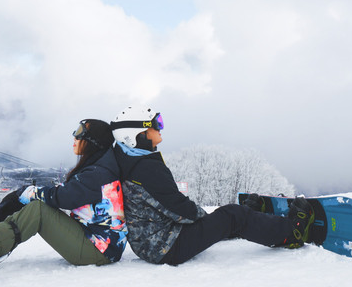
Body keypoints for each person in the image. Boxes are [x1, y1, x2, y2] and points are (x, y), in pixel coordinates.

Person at [110, 106, 315, 265]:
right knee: (233, 215)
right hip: (166, 247)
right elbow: (181, 210)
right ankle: (291, 233)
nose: (161, 127)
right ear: (137, 134)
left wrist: (215, 223)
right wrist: (220, 221)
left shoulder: (129, 161)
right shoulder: (146, 169)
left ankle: (246, 220)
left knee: (225, 217)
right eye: (156, 124)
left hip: (150, 243)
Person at [0, 119, 127, 279]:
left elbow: (64, 197)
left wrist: (28, 193)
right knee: (36, 208)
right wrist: (30, 195)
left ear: (93, 141)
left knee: (38, 211)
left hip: (100, 251)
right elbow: (69, 192)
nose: (74, 137)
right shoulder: (98, 167)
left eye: (80, 133)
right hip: (95, 241)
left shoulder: (98, 172)